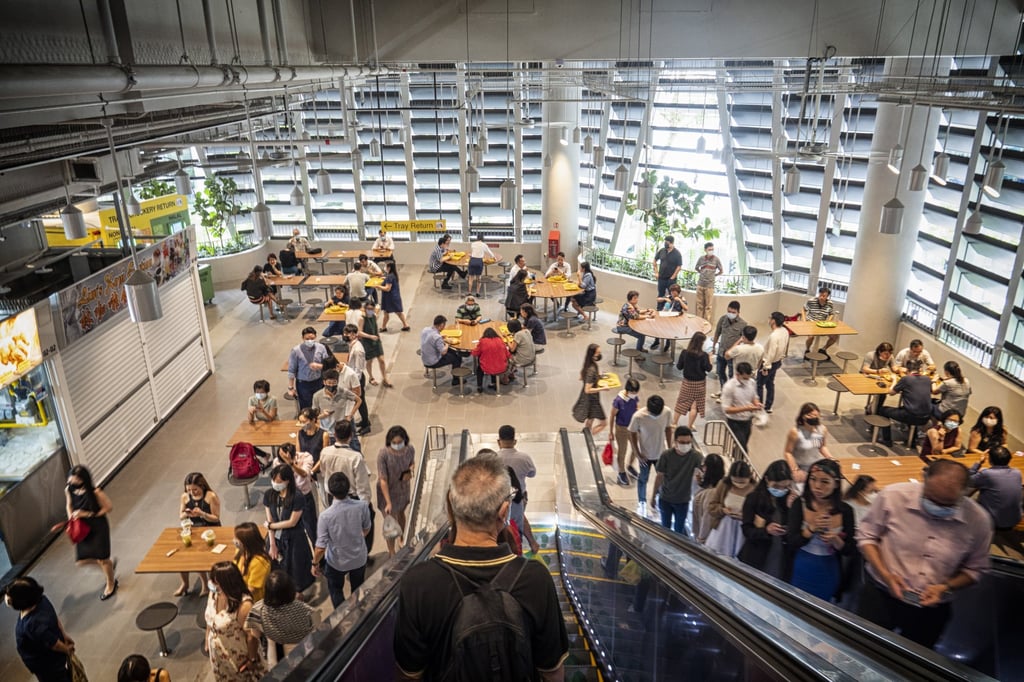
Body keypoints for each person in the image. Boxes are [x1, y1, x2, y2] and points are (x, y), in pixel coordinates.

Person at [394, 455, 569, 681]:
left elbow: (409, 674)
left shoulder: (418, 583)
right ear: (504, 512)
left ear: (450, 504)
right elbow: (552, 671)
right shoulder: (534, 578)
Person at [856, 459, 992, 648]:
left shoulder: (978, 521)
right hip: (880, 595)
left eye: (947, 504)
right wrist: (886, 575)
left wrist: (945, 587)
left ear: (965, 494)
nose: (937, 509)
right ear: (924, 479)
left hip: (931, 610)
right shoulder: (892, 496)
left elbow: (976, 568)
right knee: (864, 646)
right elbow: (867, 536)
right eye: (931, 499)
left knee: (914, 658)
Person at [787, 459, 855, 602]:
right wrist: (810, 529)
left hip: (828, 568)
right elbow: (791, 541)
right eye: (813, 479)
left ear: (836, 484)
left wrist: (835, 540)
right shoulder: (800, 504)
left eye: (825, 482)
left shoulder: (846, 511)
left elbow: (850, 550)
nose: (817, 486)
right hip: (802, 565)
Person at [315, 420, 374, 554]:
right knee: (361, 527)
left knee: (338, 528)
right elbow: (362, 486)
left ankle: (341, 551)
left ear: (334, 435)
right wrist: (365, 506)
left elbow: (324, 472)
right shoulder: (355, 457)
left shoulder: (325, 452)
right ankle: (362, 553)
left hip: (332, 497)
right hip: (352, 498)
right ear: (351, 435)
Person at [313, 472, 371, 607]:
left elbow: (320, 547)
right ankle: (356, 611)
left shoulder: (325, 516)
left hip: (337, 562)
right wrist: (357, 538)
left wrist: (314, 563)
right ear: (348, 487)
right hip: (359, 558)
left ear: (330, 491)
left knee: (336, 590)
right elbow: (367, 528)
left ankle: (342, 618)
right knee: (357, 588)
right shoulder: (362, 506)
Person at [5, 576, 75, 681]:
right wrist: (63, 634)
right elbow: (54, 618)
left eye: (10, 596)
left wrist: (67, 650)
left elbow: (54, 644)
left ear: (21, 601)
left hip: (45, 664)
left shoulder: (32, 624)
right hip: (54, 655)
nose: (6, 597)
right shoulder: (42, 600)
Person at [65, 464, 117, 600]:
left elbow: (108, 507)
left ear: (83, 480)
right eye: (71, 479)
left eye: (75, 479)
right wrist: (71, 516)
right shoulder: (69, 489)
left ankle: (110, 584)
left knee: (102, 558)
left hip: (97, 526)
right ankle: (108, 568)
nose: (71, 482)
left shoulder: (95, 492)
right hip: (81, 527)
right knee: (83, 560)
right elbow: (69, 504)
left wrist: (86, 514)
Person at [205, 561, 264, 681]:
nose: (212, 584)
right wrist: (207, 639)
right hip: (219, 655)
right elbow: (209, 619)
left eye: (216, 582)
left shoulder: (244, 605)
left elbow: (251, 636)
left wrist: (251, 660)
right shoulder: (214, 594)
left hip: (237, 655)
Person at [738, 459, 795, 580]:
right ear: (767, 480)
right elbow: (747, 530)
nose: (780, 490)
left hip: (781, 555)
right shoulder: (754, 498)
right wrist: (766, 531)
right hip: (757, 554)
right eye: (776, 486)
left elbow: (795, 531)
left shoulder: (790, 499)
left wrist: (792, 509)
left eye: (785, 487)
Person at [245, 571, 316, 665]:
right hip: (305, 653)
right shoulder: (306, 610)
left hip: (276, 657)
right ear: (291, 589)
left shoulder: (257, 610)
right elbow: (316, 630)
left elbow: (256, 634)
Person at [263, 465, 315, 595]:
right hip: (275, 538)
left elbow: (292, 522)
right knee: (277, 569)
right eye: (274, 480)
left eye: (279, 481)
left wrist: (271, 526)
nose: (276, 484)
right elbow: (269, 519)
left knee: (296, 569)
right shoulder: (269, 494)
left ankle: (298, 594)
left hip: (294, 538)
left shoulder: (297, 497)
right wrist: (272, 544)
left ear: (288, 481)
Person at [628, 394, 674, 518]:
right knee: (643, 479)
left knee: (662, 478)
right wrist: (637, 453)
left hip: (661, 454)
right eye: (654, 414)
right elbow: (631, 433)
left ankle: (657, 499)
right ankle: (641, 502)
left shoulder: (667, 412)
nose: (656, 416)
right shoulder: (638, 417)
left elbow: (668, 429)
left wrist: (670, 448)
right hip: (645, 455)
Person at [497, 425, 541, 554]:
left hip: (499, 500)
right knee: (518, 519)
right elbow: (532, 474)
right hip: (519, 498)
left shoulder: (494, 459)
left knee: (508, 522)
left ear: (498, 441)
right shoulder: (524, 458)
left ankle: (513, 547)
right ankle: (528, 544)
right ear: (515, 441)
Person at [651, 425, 703, 534]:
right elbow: (659, 476)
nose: (686, 445)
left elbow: (704, 471)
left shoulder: (696, 456)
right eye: (682, 442)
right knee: (666, 528)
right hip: (666, 498)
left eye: (688, 442)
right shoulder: (666, 455)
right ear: (675, 442)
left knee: (679, 530)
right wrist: (653, 496)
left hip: (683, 500)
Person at [177, 472, 222, 597]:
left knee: (203, 556)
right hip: (194, 529)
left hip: (210, 529)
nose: (192, 493)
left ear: (202, 486)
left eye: (195, 489)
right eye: (189, 490)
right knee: (183, 555)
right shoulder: (185, 497)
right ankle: (185, 583)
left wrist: (202, 514)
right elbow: (181, 515)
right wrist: (187, 513)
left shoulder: (211, 496)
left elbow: (216, 518)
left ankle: (206, 584)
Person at [968, 445, 1023, 540]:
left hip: (993, 522)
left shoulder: (987, 474)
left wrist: (979, 463)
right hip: (1014, 518)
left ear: (990, 459)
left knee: (973, 492)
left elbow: (968, 480)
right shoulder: (1017, 473)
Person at [377, 426, 416, 556]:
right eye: (395, 443)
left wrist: (411, 470)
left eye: (400, 442)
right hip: (388, 491)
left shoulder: (410, 449)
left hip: (403, 489)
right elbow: (382, 479)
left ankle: (402, 538)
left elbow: (412, 463)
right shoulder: (384, 454)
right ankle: (392, 551)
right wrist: (388, 502)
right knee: (391, 524)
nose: (398, 445)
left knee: (401, 513)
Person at [877, 359, 933, 447]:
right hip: (926, 417)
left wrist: (894, 380)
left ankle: (886, 440)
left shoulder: (906, 379)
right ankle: (913, 441)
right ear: (919, 369)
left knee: (882, 410)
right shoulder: (927, 379)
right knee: (913, 408)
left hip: (911, 416)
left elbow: (891, 393)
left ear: (906, 370)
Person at [704, 460, 755, 557]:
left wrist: (746, 516)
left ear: (750, 477)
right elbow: (711, 506)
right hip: (723, 527)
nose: (739, 484)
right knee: (718, 556)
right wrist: (722, 510)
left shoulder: (755, 489)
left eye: (743, 482)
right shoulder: (724, 485)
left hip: (743, 530)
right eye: (735, 481)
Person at [783, 402, 836, 483]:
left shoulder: (822, 430)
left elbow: (821, 447)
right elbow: (788, 452)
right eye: (809, 415)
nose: (812, 418)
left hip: (814, 467)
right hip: (799, 467)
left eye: (815, 416)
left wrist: (831, 458)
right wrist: (795, 470)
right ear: (803, 416)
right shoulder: (795, 432)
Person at [276, 442, 318, 542]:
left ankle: (319, 556)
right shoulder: (277, 462)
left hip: (304, 497)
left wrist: (291, 464)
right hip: (288, 498)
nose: (282, 461)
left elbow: (304, 474)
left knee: (312, 529)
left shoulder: (306, 457)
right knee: (288, 528)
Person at [674, 332, 713, 429]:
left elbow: (679, 367)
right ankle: (690, 425)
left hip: (687, 382)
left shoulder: (684, 353)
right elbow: (708, 368)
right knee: (694, 407)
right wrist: (710, 359)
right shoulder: (704, 355)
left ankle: (674, 423)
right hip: (699, 383)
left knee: (681, 402)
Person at [286, 327, 329, 411]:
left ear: (316, 337)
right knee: (306, 408)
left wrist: (319, 366)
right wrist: (290, 387)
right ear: (302, 338)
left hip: (318, 381)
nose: (310, 341)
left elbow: (328, 364)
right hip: (303, 384)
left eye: (312, 338)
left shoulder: (321, 348)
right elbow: (291, 370)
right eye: (307, 339)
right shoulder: (296, 351)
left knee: (319, 405)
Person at [608, 378, 641, 486]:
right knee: (622, 450)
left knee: (636, 449)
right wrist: (610, 431)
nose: (634, 394)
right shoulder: (619, 400)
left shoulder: (634, 397)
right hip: (621, 428)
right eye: (633, 392)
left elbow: (636, 407)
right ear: (627, 390)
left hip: (632, 427)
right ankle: (621, 472)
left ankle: (630, 466)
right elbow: (612, 415)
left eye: (636, 392)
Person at [312, 367, 361, 437]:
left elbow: (358, 400)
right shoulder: (317, 396)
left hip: (341, 431)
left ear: (337, 382)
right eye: (329, 383)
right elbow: (314, 416)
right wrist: (323, 415)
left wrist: (350, 416)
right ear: (324, 382)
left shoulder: (343, 392)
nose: (331, 385)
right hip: (326, 432)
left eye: (334, 382)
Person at [342, 324, 372, 435]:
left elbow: (359, 368)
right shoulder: (352, 345)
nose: (345, 335)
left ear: (354, 335)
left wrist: (355, 384)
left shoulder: (358, 350)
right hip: (353, 377)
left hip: (357, 379)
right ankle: (364, 422)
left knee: (360, 402)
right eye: (345, 333)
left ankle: (366, 425)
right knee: (358, 401)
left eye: (348, 333)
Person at [572, 343, 609, 434]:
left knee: (590, 419)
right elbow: (587, 389)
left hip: (589, 398)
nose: (599, 355)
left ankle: (586, 434)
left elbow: (581, 377)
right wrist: (602, 388)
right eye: (598, 353)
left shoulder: (588, 365)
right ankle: (588, 437)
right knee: (603, 423)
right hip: (592, 400)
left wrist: (599, 377)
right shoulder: (591, 370)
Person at [711, 301, 745, 395]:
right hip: (721, 352)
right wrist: (713, 346)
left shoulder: (743, 324)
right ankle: (723, 390)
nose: (731, 314)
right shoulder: (723, 319)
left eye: (733, 312)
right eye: (729, 311)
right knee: (720, 372)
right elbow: (717, 333)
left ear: (738, 312)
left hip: (732, 355)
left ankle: (731, 393)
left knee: (731, 375)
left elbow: (744, 340)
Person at [756, 311, 788, 413]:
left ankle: (759, 406)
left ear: (773, 321)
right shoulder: (785, 331)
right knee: (770, 383)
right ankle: (768, 406)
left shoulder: (774, 336)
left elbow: (771, 353)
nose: (768, 320)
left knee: (759, 385)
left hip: (769, 364)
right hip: (777, 362)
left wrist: (765, 367)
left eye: (770, 318)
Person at [233, 522, 272, 602]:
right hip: (238, 590)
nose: (234, 541)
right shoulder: (240, 551)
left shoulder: (260, 562)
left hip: (252, 601)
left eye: (237, 539)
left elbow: (251, 590)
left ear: (246, 542)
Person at [691, 454, 726, 544]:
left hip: (706, 540)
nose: (702, 469)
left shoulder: (711, 493)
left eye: (703, 466)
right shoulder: (719, 488)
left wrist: (701, 540)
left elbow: (707, 519)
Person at [420, 314, 462, 385]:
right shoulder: (437, 337)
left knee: (452, 351)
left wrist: (441, 338)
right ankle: (456, 380)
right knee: (457, 358)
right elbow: (443, 352)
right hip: (433, 362)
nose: (444, 327)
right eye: (444, 325)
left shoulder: (425, 330)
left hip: (424, 358)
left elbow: (431, 339)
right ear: (441, 325)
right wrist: (448, 343)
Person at [358, 300, 390, 388]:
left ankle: (385, 378)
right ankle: (371, 377)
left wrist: (377, 336)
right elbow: (359, 332)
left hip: (376, 341)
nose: (370, 310)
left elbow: (374, 328)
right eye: (368, 309)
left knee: (382, 360)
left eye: (372, 309)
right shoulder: (362, 319)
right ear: (365, 309)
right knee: (369, 361)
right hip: (367, 342)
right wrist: (370, 336)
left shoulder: (374, 316)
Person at [801, 286, 838, 359]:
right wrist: (804, 320)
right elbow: (803, 309)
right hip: (811, 322)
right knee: (811, 337)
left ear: (827, 296)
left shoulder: (830, 303)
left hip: (822, 324)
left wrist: (828, 321)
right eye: (820, 295)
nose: (821, 297)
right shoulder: (811, 301)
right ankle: (807, 350)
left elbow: (831, 314)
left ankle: (823, 349)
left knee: (834, 336)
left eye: (824, 296)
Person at [472, 327, 511, 392]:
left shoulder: (483, 341)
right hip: (501, 367)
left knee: (479, 369)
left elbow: (475, 353)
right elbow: (508, 354)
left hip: (487, 367)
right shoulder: (500, 340)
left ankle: (479, 386)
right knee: (495, 363)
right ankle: (494, 383)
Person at [694, 241, 723, 322]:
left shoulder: (716, 259)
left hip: (710, 286)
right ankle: (698, 321)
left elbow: (721, 271)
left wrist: (714, 275)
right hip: (700, 284)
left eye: (712, 249)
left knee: (708, 306)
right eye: (709, 249)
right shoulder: (701, 259)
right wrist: (702, 273)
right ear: (705, 250)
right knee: (699, 305)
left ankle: (706, 322)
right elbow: (696, 268)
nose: (711, 251)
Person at [379, 261, 410, 332]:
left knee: (386, 313)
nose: (385, 268)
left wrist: (378, 286)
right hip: (395, 297)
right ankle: (405, 325)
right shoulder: (393, 275)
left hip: (390, 298)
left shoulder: (389, 277)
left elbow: (387, 288)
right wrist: (384, 279)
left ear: (389, 267)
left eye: (386, 266)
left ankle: (383, 327)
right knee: (398, 312)